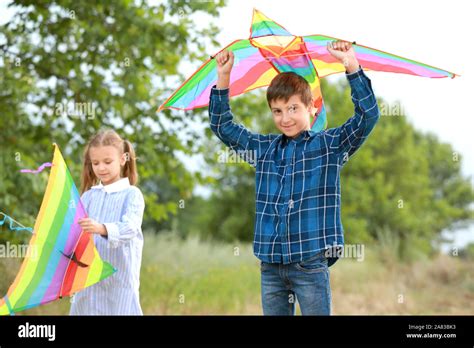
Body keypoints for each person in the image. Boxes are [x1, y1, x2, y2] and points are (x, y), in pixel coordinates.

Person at [209, 40, 380, 315]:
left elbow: (368, 116)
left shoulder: (329, 145)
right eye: (277, 111)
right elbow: (222, 126)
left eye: (293, 108)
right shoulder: (264, 150)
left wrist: (350, 64)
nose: (285, 118)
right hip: (271, 265)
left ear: (312, 108)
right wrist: (224, 77)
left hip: (310, 261)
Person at [70, 129, 145, 315]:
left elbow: (130, 228)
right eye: (95, 163)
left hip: (119, 282)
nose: (101, 168)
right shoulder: (88, 197)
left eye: (107, 162)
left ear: (122, 159)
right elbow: (73, 232)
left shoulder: (132, 195)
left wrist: (101, 228)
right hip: (89, 283)